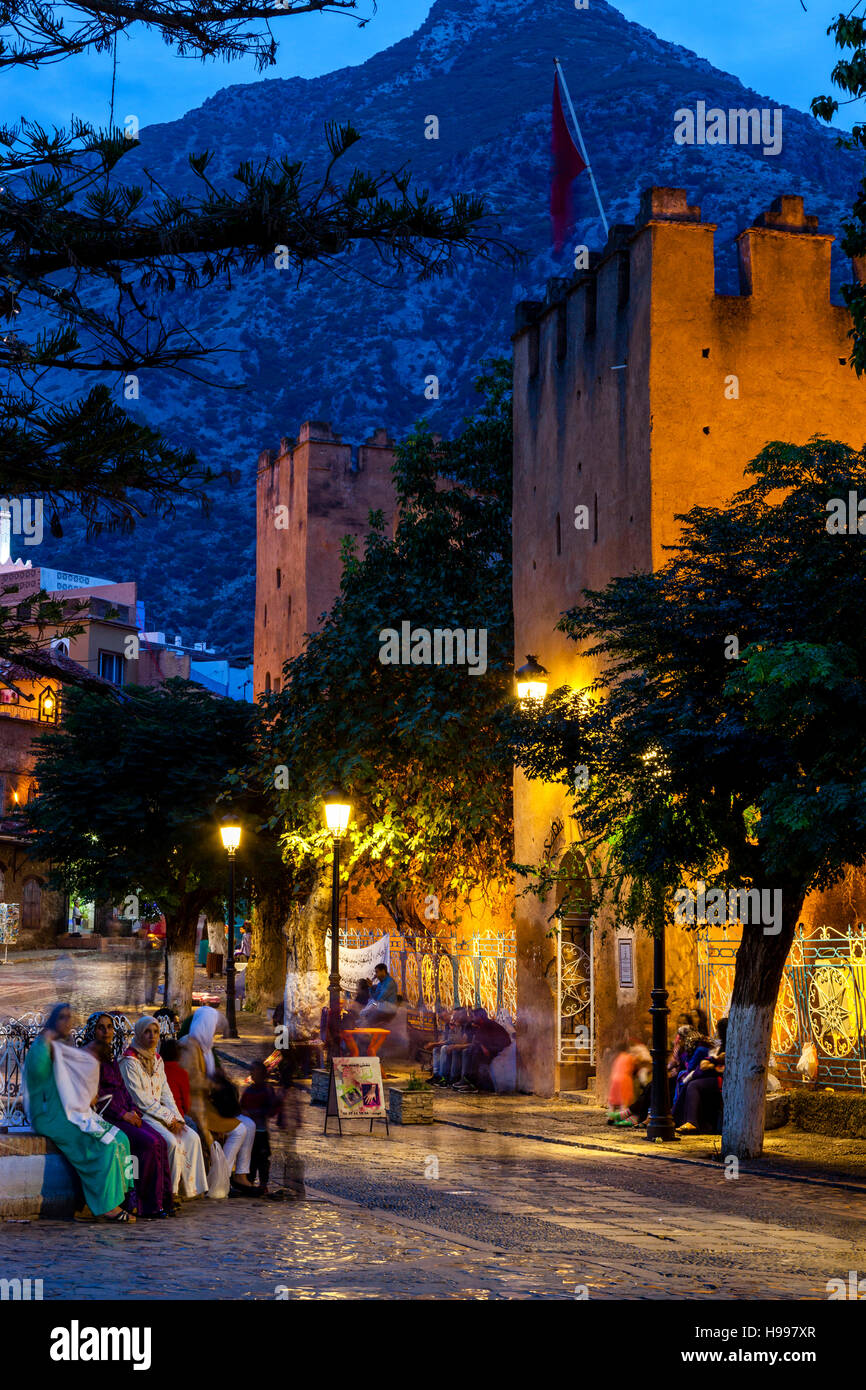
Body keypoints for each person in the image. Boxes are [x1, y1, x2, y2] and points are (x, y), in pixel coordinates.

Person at [23, 1002, 135, 1222]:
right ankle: (106, 1206)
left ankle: (123, 1196)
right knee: (104, 1145)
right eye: (63, 1017)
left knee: (121, 1138)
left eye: (69, 1017)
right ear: (54, 1020)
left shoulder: (61, 1044)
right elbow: (38, 1078)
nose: (69, 1022)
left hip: (71, 1109)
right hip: (51, 1115)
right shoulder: (43, 1046)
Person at [81, 1012, 174, 1218]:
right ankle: (142, 1203)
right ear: (92, 1031)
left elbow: (123, 1089)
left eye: (110, 1027)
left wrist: (133, 1111)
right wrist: (123, 1114)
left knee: (160, 1141)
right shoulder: (88, 1056)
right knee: (148, 1143)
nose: (106, 1032)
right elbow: (99, 1093)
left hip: (126, 1114)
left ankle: (161, 1201)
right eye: (101, 1027)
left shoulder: (110, 1055)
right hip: (107, 1116)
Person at [120, 1016, 208, 1199]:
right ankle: (169, 1192)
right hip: (141, 1114)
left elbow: (166, 1094)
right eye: (147, 1032)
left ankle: (189, 1189)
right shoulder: (129, 1061)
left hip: (160, 1113)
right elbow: (141, 1099)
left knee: (191, 1137)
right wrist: (168, 1119)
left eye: (156, 1032)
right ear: (139, 1033)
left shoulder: (157, 1060)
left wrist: (177, 1119)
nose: (152, 1036)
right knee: (172, 1142)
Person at [179, 1006, 257, 1191]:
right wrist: (215, 1085)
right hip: (197, 1107)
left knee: (250, 1125)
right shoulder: (188, 1046)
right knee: (239, 1130)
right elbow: (190, 1081)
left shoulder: (205, 1048)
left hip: (211, 1105)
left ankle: (240, 1175)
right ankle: (221, 1177)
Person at [676, 1017, 727, 1134]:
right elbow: (705, 1063)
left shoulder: (703, 1047)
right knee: (689, 1083)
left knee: (693, 1085)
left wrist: (712, 1063)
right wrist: (713, 1062)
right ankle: (681, 1119)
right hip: (714, 1076)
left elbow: (718, 1064)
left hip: (723, 1079)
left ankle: (691, 1122)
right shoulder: (720, 1046)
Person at [451, 1008, 511, 1092]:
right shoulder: (481, 1025)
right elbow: (478, 1041)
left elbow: (486, 1043)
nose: (472, 1018)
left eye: (474, 1016)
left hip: (500, 1047)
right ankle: (467, 1080)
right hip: (491, 1046)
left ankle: (473, 1084)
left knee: (476, 1052)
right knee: (471, 1050)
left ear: (480, 1017)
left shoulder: (487, 1024)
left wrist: (485, 1049)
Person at [241, 1060, 280, 1192]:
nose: (251, 1073)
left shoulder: (267, 1090)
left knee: (262, 1159)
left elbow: (272, 1110)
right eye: (251, 1070)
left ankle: (263, 1184)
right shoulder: (249, 1090)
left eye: (254, 1070)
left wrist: (253, 1114)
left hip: (261, 1130)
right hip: (249, 1132)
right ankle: (250, 1182)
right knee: (250, 1158)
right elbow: (241, 1107)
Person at [430, 1008, 471, 1085]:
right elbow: (448, 1039)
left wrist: (455, 1044)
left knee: (447, 1049)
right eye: (453, 1015)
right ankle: (438, 1075)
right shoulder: (452, 1024)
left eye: (455, 1015)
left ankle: (449, 1078)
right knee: (438, 1048)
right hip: (455, 1044)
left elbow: (462, 1042)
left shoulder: (467, 1025)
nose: (454, 1017)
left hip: (467, 1048)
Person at [160, 1037, 191, 1117]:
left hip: (158, 1115)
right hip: (176, 1115)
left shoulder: (156, 1069)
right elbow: (186, 1106)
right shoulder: (182, 1073)